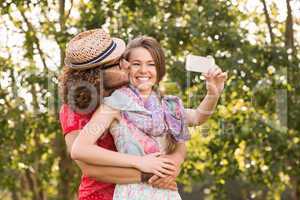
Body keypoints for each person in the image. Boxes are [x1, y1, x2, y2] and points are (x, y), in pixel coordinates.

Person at [71, 35, 227, 199]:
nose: (143, 70)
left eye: (151, 64)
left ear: (159, 69)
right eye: (136, 64)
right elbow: (79, 149)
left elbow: (197, 117)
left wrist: (212, 94)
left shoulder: (168, 106)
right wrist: (138, 162)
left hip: (166, 193)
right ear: (126, 67)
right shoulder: (115, 103)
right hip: (132, 193)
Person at [59, 29, 184, 200]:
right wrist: (147, 174)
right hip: (102, 195)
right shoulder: (73, 111)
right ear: (97, 75)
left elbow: (175, 131)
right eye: (119, 63)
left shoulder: (129, 92)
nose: (127, 65)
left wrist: (172, 166)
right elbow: (90, 168)